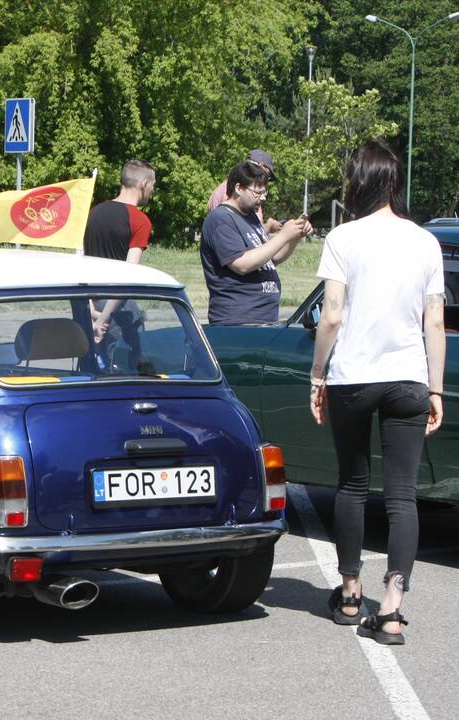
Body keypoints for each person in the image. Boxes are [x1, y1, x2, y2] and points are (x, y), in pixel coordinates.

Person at [309, 141, 446, 646]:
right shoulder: (425, 241)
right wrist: (435, 387)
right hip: (409, 377)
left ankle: (349, 593)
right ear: (395, 182)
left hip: (354, 377)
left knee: (351, 485)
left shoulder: (343, 238)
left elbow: (332, 315)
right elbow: (435, 318)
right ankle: (391, 609)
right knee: (402, 496)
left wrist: (317, 375)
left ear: (358, 182)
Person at [200, 159, 312, 325]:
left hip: (261, 319)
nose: (263, 198)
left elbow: (272, 257)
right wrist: (283, 236)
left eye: (264, 192)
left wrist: (294, 235)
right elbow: (241, 264)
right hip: (237, 322)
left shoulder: (250, 217)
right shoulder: (220, 219)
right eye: (257, 192)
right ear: (239, 188)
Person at [83, 159, 155, 361]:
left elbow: (81, 263)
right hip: (117, 312)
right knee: (126, 370)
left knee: (90, 370)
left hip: (88, 302)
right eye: (152, 186)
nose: (152, 191)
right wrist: (103, 320)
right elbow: (127, 277)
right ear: (143, 184)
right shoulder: (139, 220)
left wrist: (89, 309)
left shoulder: (93, 213)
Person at [207, 149, 283, 234]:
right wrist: (269, 227)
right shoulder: (244, 195)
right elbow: (251, 234)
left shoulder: (221, 189)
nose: (266, 181)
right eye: (267, 176)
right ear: (260, 166)